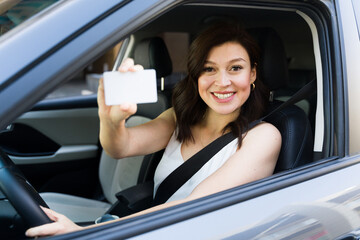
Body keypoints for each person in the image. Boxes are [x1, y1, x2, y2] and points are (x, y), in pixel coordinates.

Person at [25, 22, 281, 237]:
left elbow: (194, 208)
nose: (222, 82)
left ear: (253, 74)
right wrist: (111, 119)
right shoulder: (179, 119)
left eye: (235, 68)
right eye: (209, 69)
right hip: (154, 230)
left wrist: (94, 232)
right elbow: (120, 147)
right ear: (196, 76)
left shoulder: (264, 137)